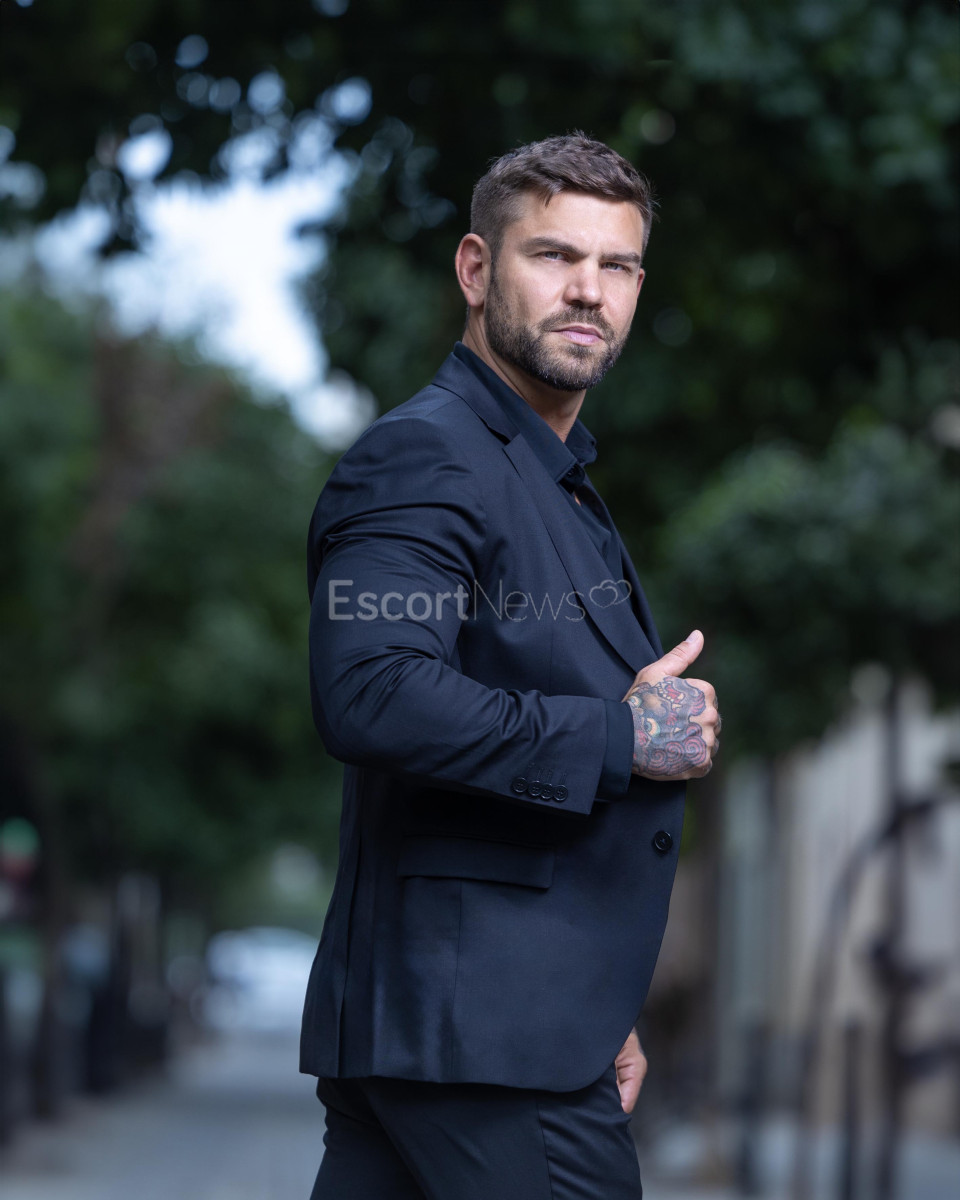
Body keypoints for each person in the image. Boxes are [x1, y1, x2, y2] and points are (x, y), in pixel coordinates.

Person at [301, 132, 720, 1200]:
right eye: (554, 255)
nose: (589, 290)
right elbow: (373, 691)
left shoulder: (549, 476)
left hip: (497, 1027)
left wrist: (595, 1000)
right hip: (480, 1047)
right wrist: (626, 736)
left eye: (617, 265)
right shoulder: (426, 454)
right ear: (476, 268)